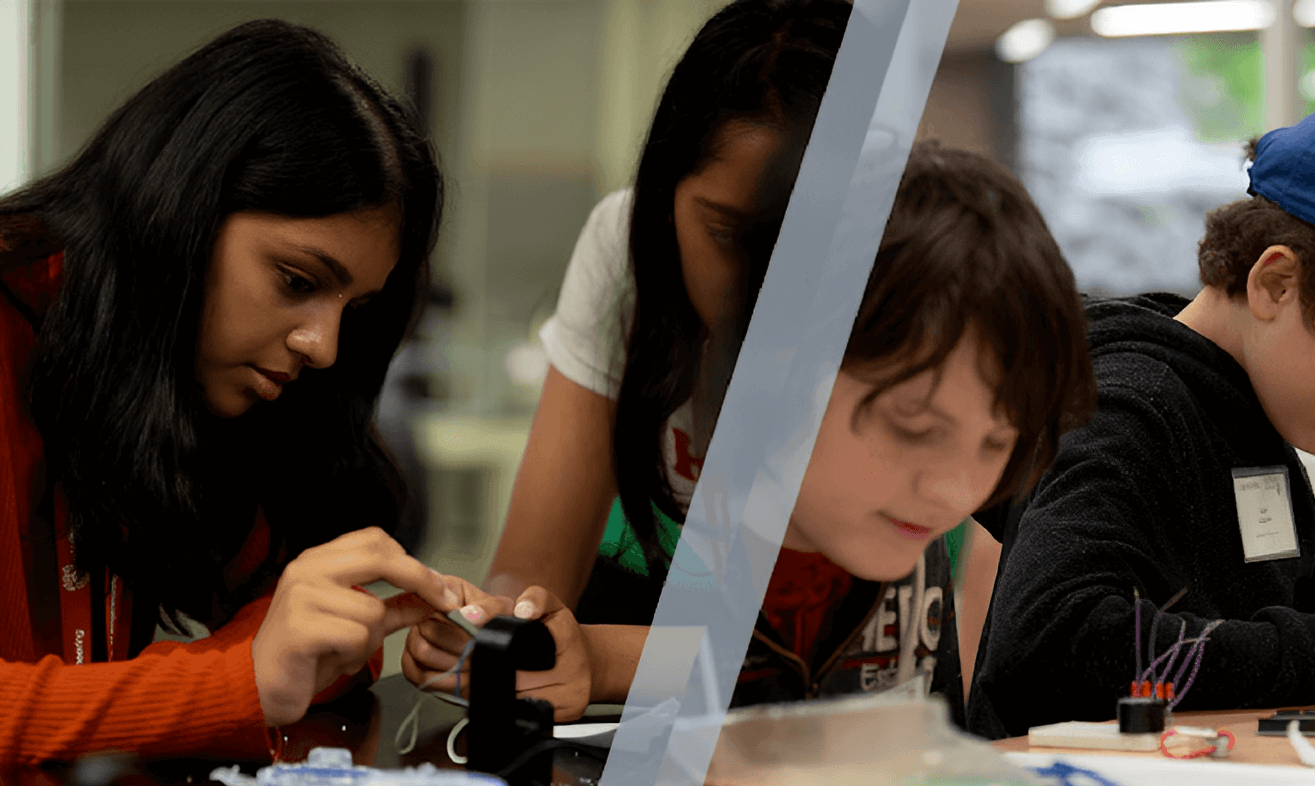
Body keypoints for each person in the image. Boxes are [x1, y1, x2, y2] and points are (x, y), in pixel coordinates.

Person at [405, 140, 1096, 725]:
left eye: (996, 442)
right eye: (912, 426)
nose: (953, 488)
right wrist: (573, 655)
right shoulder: (667, 504)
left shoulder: (918, 515)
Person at [968, 100, 1315, 739]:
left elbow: (1245, 651)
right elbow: (1053, 644)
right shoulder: (1134, 408)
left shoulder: (1252, 418)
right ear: (1276, 284)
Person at [0, 20, 471, 764]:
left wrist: (339, 633)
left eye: (353, 309)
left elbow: (301, 646)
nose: (324, 347)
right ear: (181, 211)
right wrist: (233, 681)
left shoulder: (187, 377)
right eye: (296, 281)